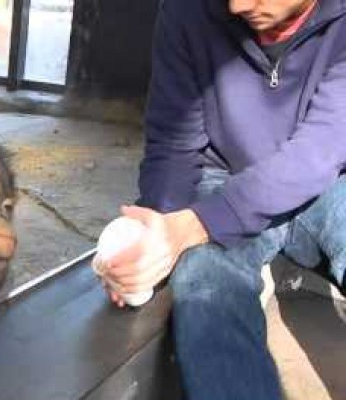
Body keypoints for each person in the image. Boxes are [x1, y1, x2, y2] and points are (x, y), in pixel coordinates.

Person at [92, 0, 346, 398]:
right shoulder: (187, 11)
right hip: (226, 176)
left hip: (329, 179)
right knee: (204, 281)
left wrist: (197, 224)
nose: (237, 5)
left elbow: (319, 152)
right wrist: (154, 236)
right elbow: (175, 144)